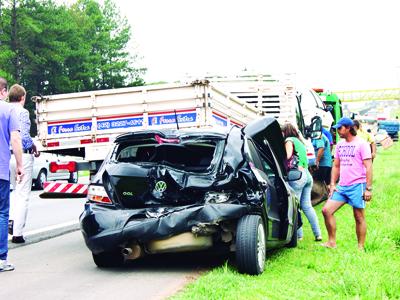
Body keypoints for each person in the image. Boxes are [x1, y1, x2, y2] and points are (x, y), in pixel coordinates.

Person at [321, 117, 373, 250]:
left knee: (358, 216)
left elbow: (368, 166)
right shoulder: (340, 145)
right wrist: (332, 184)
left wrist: (368, 188)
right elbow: (336, 166)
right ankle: (331, 242)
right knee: (326, 210)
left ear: (349, 128)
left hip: (357, 185)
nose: (338, 131)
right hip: (342, 186)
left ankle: (360, 246)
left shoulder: (362, 144)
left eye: (340, 128)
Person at [8, 84, 40, 244]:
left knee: (13, 191)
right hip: (22, 156)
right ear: (22, 97)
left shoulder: (4, 110)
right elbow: (23, 136)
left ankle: (11, 220)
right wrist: (33, 146)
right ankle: (17, 233)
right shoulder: (22, 112)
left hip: (6, 156)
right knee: (23, 194)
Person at [281, 123, 322, 241]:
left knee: (295, 207)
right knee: (307, 206)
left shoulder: (289, 140)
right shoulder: (300, 142)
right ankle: (318, 234)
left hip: (297, 176)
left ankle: (298, 235)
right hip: (307, 175)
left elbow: (288, 155)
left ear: (285, 132)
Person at [0, 77, 24, 272]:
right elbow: (16, 138)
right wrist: (20, 165)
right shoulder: (9, 110)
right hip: (0, 170)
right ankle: (1, 259)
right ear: (4, 92)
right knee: (1, 213)